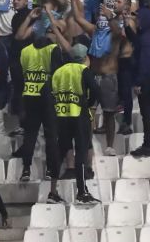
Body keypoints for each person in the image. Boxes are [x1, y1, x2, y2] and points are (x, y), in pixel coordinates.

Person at [50, 43, 100, 204]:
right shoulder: (83, 70)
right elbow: (96, 90)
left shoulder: (58, 71)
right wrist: (88, 102)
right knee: (81, 153)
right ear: (85, 57)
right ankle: (82, 192)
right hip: (79, 116)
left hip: (61, 116)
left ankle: (52, 192)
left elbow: (50, 92)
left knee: (59, 152)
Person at [18, 35, 62, 192]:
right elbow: (58, 74)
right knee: (51, 135)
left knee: (30, 135)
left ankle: (26, 169)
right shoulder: (53, 49)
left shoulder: (25, 51)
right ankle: (50, 170)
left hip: (30, 96)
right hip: (48, 98)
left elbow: (23, 73)